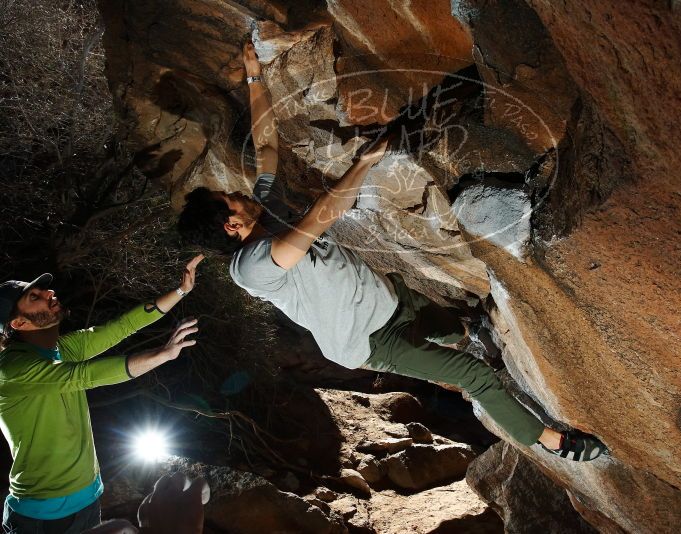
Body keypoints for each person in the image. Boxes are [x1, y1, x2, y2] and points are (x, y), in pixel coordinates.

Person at [178, 42, 605, 462]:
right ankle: (553, 442)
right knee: (476, 377)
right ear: (232, 226)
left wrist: (255, 75)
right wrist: (364, 162)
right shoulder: (248, 268)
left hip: (391, 297)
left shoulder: (264, 213)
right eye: (230, 198)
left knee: (455, 328)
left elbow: (266, 146)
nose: (238, 190)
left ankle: (467, 338)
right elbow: (324, 214)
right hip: (369, 340)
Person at [0, 255, 204, 533]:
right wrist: (162, 354)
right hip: (41, 516)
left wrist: (181, 290)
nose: (49, 293)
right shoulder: (11, 368)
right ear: (19, 324)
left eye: (43, 289)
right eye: (34, 297)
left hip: (89, 499)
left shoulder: (63, 348)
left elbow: (121, 327)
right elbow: (85, 375)